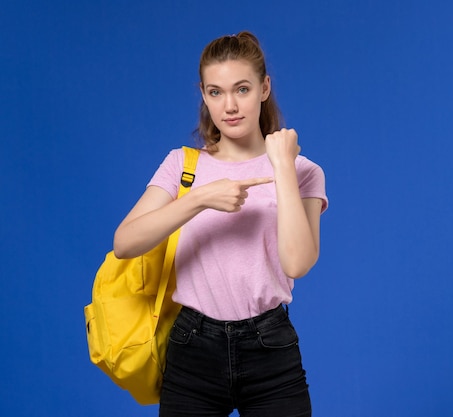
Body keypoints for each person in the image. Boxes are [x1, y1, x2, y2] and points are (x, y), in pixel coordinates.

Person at [113, 31, 328, 417]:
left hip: (270, 349)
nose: (229, 105)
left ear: (264, 88)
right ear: (203, 94)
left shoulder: (303, 171)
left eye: (241, 89)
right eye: (215, 92)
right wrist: (198, 199)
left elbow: (297, 264)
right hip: (193, 346)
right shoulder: (183, 166)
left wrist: (281, 166)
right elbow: (125, 243)